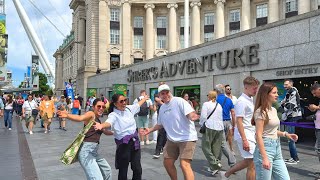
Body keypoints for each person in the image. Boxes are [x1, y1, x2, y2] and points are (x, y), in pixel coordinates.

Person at [144, 84, 199, 180]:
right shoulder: (163, 108)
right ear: (159, 96)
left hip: (187, 138)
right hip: (172, 139)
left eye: (167, 92)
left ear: (170, 92)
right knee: (167, 162)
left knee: (184, 164)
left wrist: (192, 116)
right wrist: (150, 130)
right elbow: (160, 124)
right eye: (163, 93)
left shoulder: (179, 101)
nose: (165, 95)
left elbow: (190, 113)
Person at [94, 94, 149, 180]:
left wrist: (144, 98)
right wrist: (101, 125)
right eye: (121, 101)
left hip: (135, 142)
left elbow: (138, 105)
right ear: (115, 104)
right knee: (123, 170)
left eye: (125, 100)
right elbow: (109, 122)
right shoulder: (114, 115)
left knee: (137, 168)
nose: (124, 103)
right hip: (124, 145)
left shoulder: (129, 109)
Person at [57, 98, 112, 180]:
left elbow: (105, 131)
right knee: (97, 178)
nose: (101, 108)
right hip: (86, 152)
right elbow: (80, 118)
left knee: (107, 170)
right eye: (99, 106)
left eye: (103, 107)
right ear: (93, 107)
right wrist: (67, 115)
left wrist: (119, 132)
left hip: (93, 152)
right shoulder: (91, 114)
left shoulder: (98, 122)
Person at [252, 82, 298, 180]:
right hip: (265, 149)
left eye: (277, 92)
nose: (277, 95)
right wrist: (264, 157)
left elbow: (271, 131)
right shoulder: (260, 112)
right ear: (266, 94)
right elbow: (258, 135)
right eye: (274, 93)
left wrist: (286, 134)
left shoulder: (273, 109)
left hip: (276, 147)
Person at [221, 76, 260, 180]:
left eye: (257, 88)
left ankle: (226, 174)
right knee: (252, 163)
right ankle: (226, 173)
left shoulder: (250, 99)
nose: (256, 90)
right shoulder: (242, 101)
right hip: (245, 135)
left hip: (250, 133)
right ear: (246, 87)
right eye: (254, 88)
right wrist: (244, 140)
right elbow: (239, 121)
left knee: (249, 162)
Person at [200, 90, 224, 176]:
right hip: (219, 127)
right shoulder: (219, 105)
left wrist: (201, 124)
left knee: (205, 146)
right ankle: (214, 166)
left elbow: (203, 116)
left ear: (209, 96)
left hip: (209, 126)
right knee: (216, 147)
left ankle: (215, 164)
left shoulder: (206, 104)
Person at [215, 84, 236, 168]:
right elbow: (233, 113)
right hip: (228, 123)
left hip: (219, 123)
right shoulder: (229, 100)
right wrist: (233, 125)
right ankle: (217, 162)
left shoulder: (215, 100)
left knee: (222, 143)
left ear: (216, 91)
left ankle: (232, 161)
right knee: (220, 143)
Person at [281, 79, 302, 164]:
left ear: (291, 84)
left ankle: (295, 158)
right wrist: (283, 103)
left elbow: (290, 105)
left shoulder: (293, 91)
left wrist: (283, 104)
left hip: (292, 116)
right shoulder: (289, 92)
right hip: (290, 116)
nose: (284, 86)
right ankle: (293, 157)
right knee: (290, 137)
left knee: (291, 138)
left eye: (286, 84)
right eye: (284, 84)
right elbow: (284, 102)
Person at [308, 83, 320, 178]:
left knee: (318, 149)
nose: (314, 95)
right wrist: (314, 109)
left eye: (315, 93)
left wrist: (316, 107)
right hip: (318, 127)